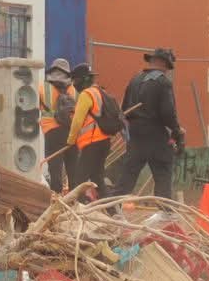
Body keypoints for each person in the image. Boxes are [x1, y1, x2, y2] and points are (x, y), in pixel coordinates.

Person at [113, 47, 184, 198]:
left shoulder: (134, 79)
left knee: (128, 173)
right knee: (163, 170)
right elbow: (168, 113)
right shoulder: (163, 82)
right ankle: (165, 210)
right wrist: (177, 132)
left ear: (151, 61)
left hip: (135, 134)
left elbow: (124, 109)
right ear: (165, 64)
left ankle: (114, 208)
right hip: (155, 134)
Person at [66, 63, 112, 198]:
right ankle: (113, 211)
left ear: (82, 80)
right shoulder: (100, 92)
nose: (74, 83)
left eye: (75, 80)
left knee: (79, 180)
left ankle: (77, 210)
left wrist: (71, 140)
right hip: (104, 142)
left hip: (92, 143)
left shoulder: (86, 95)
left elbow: (77, 121)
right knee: (97, 179)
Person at [41, 58, 78, 192]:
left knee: (55, 169)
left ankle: (56, 200)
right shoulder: (74, 90)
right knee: (73, 169)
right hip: (72, 133)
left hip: (52, 133)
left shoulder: (43, 88)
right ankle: (76, 202)